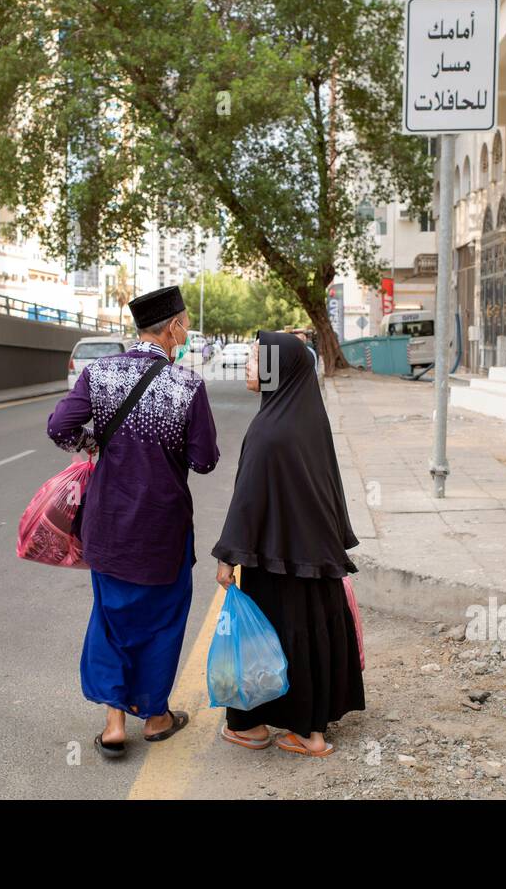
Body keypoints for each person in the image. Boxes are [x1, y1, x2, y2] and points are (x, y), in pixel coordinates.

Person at [47, 285, 220, 759]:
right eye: (184, 324)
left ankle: (114, 722)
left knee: (110, 616)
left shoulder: (99, 374)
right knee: (162, 620)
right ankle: (157, 717)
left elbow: (59, 426)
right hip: (162, 529)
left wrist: (95, 446)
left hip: (107, 523)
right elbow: (205, 461)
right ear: (174, 329)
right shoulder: (187, 387)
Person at [212, 331, 363, 756]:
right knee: (310, 635)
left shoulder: (268, 430)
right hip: (314, 558)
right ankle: (311, 733)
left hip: (275, 557)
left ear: (280, 369)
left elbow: (248, 502)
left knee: (272, 636)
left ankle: (251, 726)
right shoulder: (308, 417)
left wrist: (227, 555)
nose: (247, 363)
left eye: (258, 358)